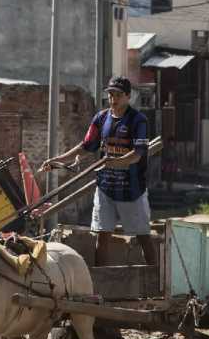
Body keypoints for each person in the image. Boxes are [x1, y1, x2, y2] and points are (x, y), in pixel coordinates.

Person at [40, 76, 157, 267]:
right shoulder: (101, 118)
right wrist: (57, 160)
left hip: (132, 190)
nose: (113, 99)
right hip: (105, 189)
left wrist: (116, 162)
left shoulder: (138, 120)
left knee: (143, 236)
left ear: (128, 96)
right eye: (110, 94)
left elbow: (138, 154)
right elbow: (85, 147)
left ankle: (153, 277)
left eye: (118, 95)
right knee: (102, 236)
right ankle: (101, 280)